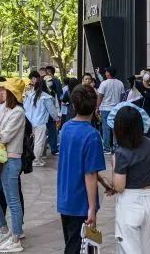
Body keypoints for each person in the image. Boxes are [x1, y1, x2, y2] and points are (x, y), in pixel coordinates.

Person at [56, 83, 106, 254]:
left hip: (65, 198)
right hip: (81, 202)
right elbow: (90, 173)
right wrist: (91, 208)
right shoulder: (92, 135)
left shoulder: (66, 128)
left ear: (74, 105)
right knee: (79, 248)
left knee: (73, 242)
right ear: (95, 106)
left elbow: (78, 162)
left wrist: (103, 181)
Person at [0, 77, 27, 252]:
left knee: (12, 201)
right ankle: (3, 229)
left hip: (11, 160)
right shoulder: (7, 110)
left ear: (11, 93)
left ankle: (15, 238)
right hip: (0, 159)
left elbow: (4, 136)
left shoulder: (18, 112)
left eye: (5, 90)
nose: (1, 93)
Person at [111, 106, 150, 254]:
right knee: (145, 250)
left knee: (129, 249)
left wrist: (114, 165)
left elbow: (119, 186)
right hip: (149, 200)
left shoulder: (121, 153)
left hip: (129, 202)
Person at [23, 72, 56, 167]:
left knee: (33, 141)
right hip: (40, 122)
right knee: (39, 142)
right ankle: (36, 160)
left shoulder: (29, 94)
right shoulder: (45, 97)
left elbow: (25, 108)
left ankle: (35, 158)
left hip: (29, 122)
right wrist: (57, 118)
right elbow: (52, 111)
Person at [96, 67, 126, 152]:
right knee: (115, 128)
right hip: (116, 109)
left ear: (108, 73)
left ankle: (107, 147)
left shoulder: (104, 83)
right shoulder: (120, 83)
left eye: (106, 71)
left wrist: (97, 107)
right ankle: (116, 146)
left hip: (105, 108)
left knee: (106, 128)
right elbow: (122, 96)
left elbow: (100, 96)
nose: (105, 73)